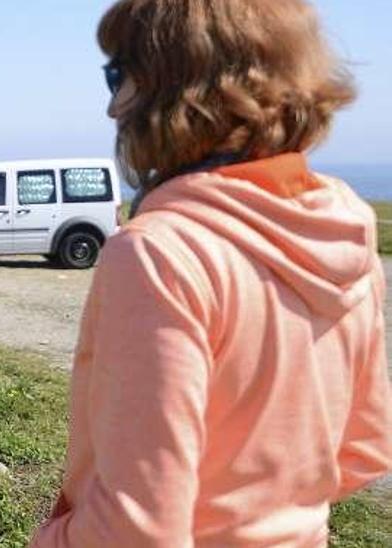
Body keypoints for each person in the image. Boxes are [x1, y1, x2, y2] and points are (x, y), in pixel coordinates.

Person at [30, 0, 392, 546]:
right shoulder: (346, 227)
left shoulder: (160, 254)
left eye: (118, 75)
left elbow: (134, 532)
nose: (113, 108)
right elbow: (365, 447)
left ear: (173, 86)